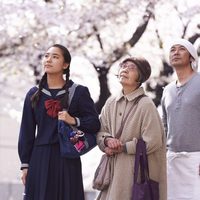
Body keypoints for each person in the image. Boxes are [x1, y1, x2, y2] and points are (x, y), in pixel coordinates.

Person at [18, 44, 100, 200]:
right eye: (46, 56)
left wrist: (73, 120)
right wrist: (25, 165)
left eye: (55, 57)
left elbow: (94, 123)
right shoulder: (33, 93)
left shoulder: (79, 92)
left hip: (67, 157)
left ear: (65, 65)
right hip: (39, 158)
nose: (48, 60)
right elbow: (26, 131)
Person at [96, 57, 167, 200]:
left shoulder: (146, 104)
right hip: (111, 173)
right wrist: (107, 141)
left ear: (140, 76)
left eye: (132, 68)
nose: (125, 69)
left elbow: (153, 141)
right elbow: (100, 131)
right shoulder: (110, 103)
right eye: (123, 66)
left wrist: (124, 147)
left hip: (135, 174)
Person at [161, 38, 200, 200]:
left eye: (181, 49)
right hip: (172, 161)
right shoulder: (167, 90)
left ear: (191, 57)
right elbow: (164, 126)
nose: (176, 52)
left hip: (197, 161)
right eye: (172, 49)